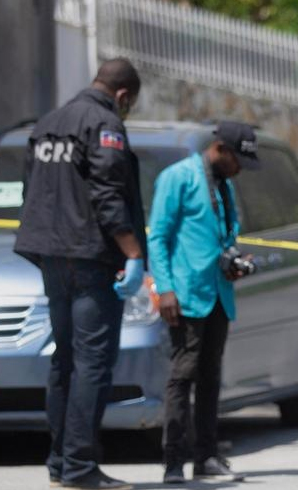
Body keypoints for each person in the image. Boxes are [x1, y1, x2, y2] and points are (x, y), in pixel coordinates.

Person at [14, 58, 145, 490]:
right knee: (93, 363)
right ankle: (80, 467)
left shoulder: (47, 123)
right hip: (89, 256)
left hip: (52, 256)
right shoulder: (104, 123)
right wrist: (132, 253)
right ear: (122, 95)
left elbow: (32, 190)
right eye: (128, 104)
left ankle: (60, 464)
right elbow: (108, 193)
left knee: (65, 360)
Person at [148, 121, 260, 484]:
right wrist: (165, 289)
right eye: (238, 160)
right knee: (182, 376)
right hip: (186, 295)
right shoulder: (177, 178)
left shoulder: (225, 185)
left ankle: (206, 455)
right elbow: (158, 237)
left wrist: (233, 261)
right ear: (221, 149)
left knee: (211, 377)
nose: (240, 169)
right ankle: (173, 460)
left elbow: (224, 236)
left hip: (218, 296)